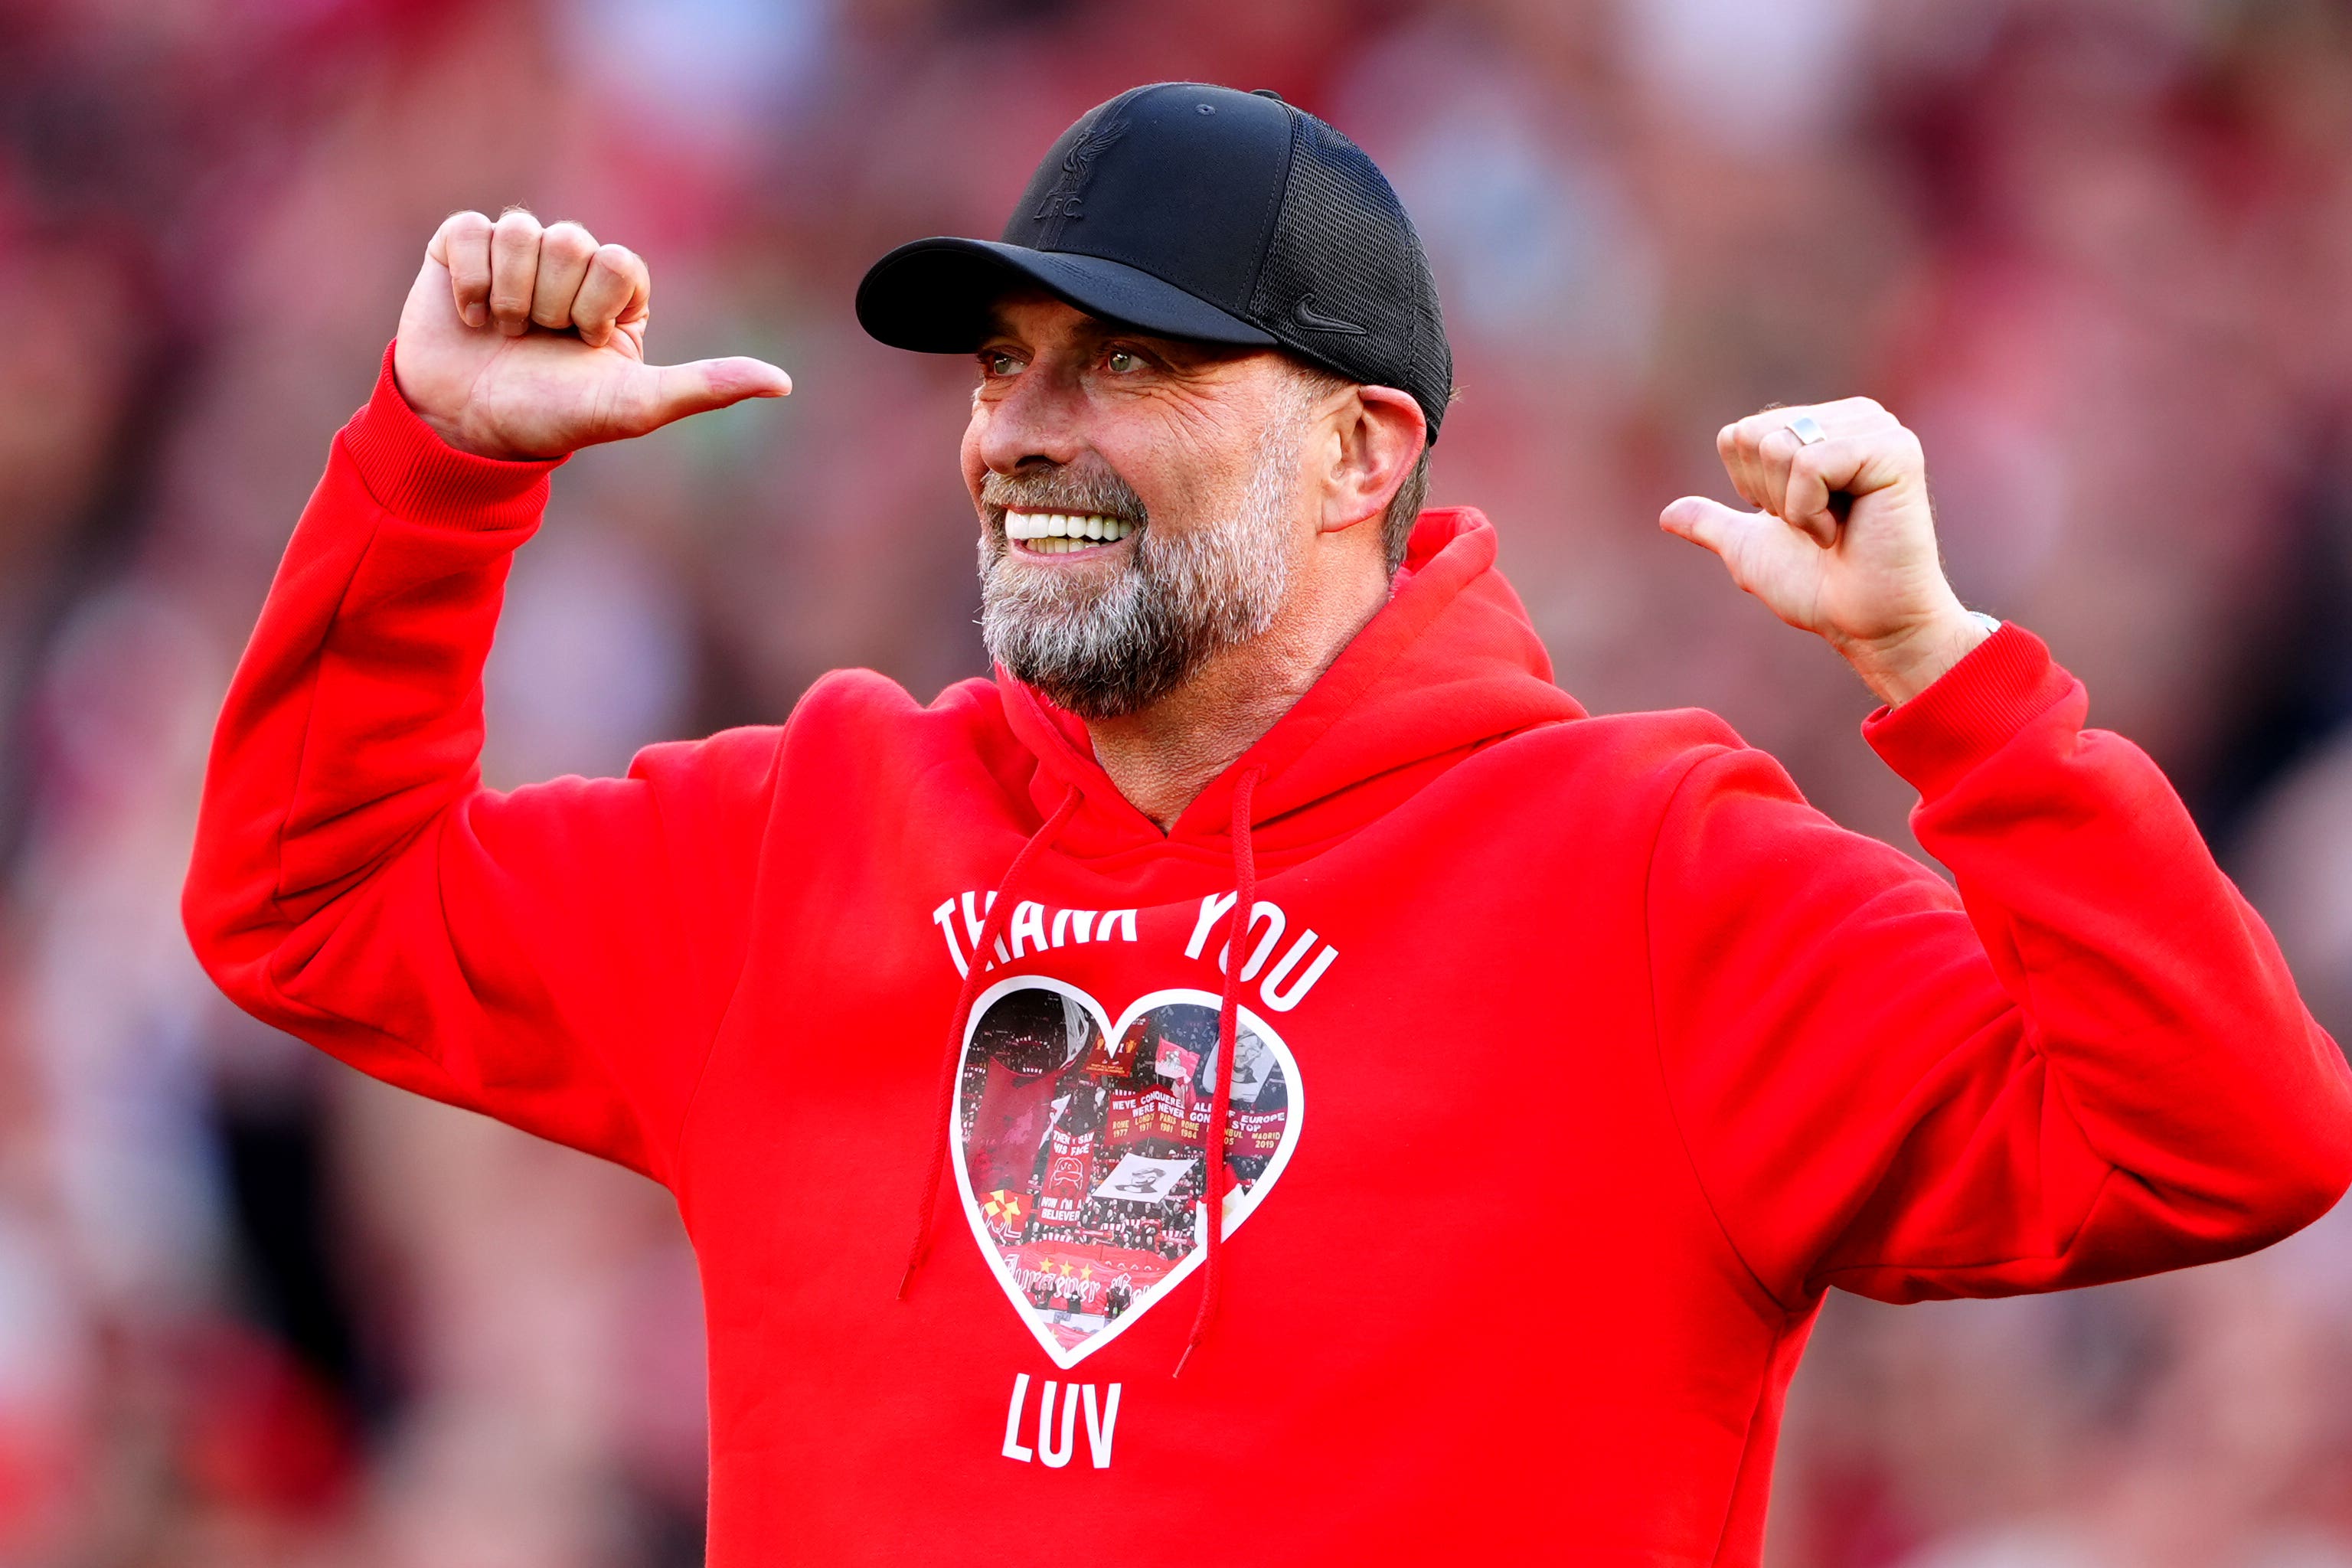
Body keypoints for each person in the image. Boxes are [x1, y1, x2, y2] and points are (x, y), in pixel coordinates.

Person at [181, 81, 2352, 1564]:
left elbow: (2227, 1135)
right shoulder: (812, 828)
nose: (1025, 429)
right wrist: (436, 473)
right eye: (1000, 365)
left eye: (1127, 369)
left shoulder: (1649, 876)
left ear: (1357, 450)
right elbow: (310, 907)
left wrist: (1955, 690)